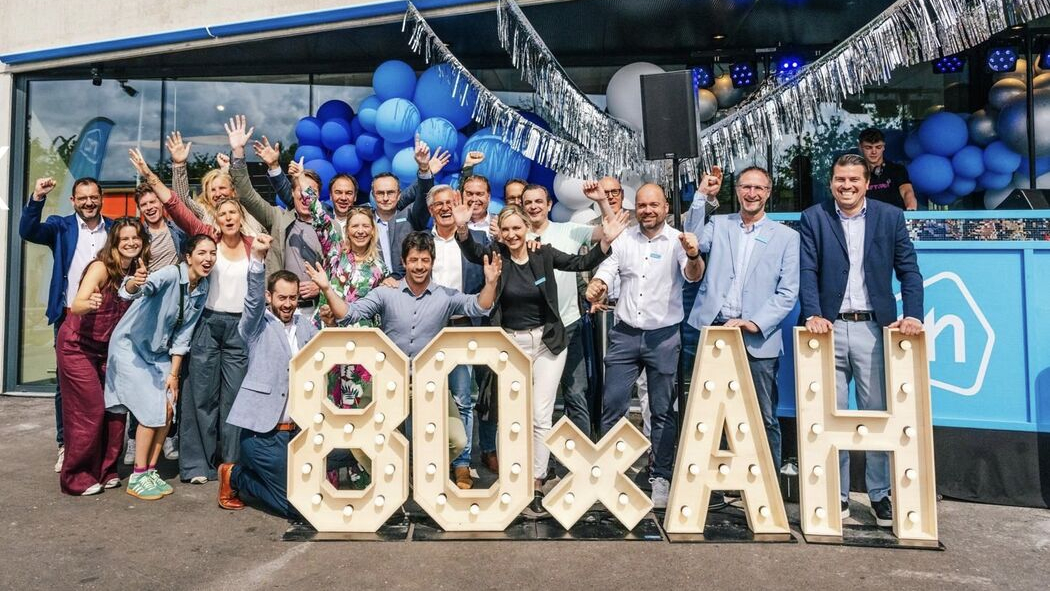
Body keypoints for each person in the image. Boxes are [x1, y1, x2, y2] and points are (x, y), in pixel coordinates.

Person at [455, 200, 629, 517]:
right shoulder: (496, 255)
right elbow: (471, 251)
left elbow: (581, 262)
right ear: (500, 232)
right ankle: (511, 482)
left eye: (516, 228)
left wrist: (606, 240)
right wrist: (463, 227)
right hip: (511, 344)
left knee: (540, 415)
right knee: (510, 416)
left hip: (548, 343)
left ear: (527, 228)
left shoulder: (543, 253)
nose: (512, 234)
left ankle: (536, 482)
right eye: (506, 229)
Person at [799, 153, 924, 527]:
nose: (847, 186)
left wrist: (913, 314)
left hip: (873, 329)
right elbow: (807, 270)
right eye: (840, 179)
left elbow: (909, 271)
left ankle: (879, 494)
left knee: (876, 414)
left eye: (854, 179)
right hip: (827, 329)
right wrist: (812, 313)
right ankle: (835, 495)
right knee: (829, 415)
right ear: (831, 182)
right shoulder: (814, 217)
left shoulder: (890, 217)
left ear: (867, 183)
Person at [319, 231, 503, 481]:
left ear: (432, 262)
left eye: (425, 260)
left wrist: (490, 283)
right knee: (361, 439)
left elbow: (479, 306)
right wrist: (327, 288)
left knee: (457, 439)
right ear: (404, 262)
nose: (419, 266)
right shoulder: (386, 293)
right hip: (388, 380)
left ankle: (418, 473)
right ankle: (395, 477)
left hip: (429, 383)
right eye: (414, 260)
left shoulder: (445, 296)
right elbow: (349, 314)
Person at [129, 147, 256, 484]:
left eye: (233, 212)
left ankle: (231, 466)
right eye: (223, 213)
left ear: (240, 216)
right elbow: (174, 204)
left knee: (234, 399)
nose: (228, 217)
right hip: (207, 325)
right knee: (200, 396)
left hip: (240, 329)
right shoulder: (207, 237)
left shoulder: (252, 244)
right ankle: (197, 466)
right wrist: (150, 174)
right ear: (217, 217)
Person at [585, 183, 705, 509]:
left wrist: (693, 255)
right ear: (635, 208)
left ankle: (660, 476)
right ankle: (611, 475)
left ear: (666, 207)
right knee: (613, 405)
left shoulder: (678, 240)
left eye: (654, 205)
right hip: (625, 335)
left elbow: (693, 275)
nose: (647, 210)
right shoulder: (625, 238)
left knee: (662, 410)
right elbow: (609, 268)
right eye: (642, 205)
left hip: (663, 337)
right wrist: (598, 283)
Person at [686, 166, 800, 471]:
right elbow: (693, 240)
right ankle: (714, 484)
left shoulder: (787, 237)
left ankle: (769, 487)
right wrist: (701, 196)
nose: (752, 193)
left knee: (762, 414)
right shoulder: (719, 224)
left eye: (759, 188)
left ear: (768, 193)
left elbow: (788, 292)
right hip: (715, 331)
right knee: (710, 413)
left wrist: (754, 323)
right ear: (737, 191)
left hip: (757, 338)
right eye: (746, 187)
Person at [105, 233, 216, 500]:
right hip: (130, 348)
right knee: (150, 410)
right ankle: (137, 475)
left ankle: (150, 471)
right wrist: (135, 282)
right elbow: (134, 290)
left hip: (158, 353)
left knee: (167, 408)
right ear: (188, 257)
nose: (208, 258)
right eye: (202, 253)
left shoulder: (202, 287)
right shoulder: (169, 275)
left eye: (212, 253)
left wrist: (174, 375)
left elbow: (183, 335)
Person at [217, 235, 318, 516]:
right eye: (282, 297)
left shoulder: (307, 327)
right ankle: (235, 476)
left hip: (298, 434)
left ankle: (261, 476)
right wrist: (257, 259)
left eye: (293, 298)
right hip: (262, 435)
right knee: (297, 508)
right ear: (269, 297)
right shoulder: (256, 326)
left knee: (315, 495)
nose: (287, 304)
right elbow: (251, 301)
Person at [19, 176, 113, 473]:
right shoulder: (60, 227)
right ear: (73, 200)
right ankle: (66, 444)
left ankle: (99, 447)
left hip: (107, 318)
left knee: (104, 382)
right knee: (66, 384)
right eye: (82, 198)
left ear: (101, 198)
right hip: (69, 316)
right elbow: (28, 231)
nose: (88, 202)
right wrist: (37, 197)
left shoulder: (113, 229)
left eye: (93, 197)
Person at [57, 218, 148, 495]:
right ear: (115, 243)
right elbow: (77, 304)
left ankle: (106, 470)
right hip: (77, 346)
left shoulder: (137, 270)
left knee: (115, 410)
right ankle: (76, 477)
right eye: (125, 239)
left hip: (108, 349)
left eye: (135, 238)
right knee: (89, 410)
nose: (131, 243)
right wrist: (90, 302)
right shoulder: (100, 267)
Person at [522, 183, 613, 440]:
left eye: (539, 201)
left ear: (549, 204)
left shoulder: (569, 230)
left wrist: (602, 201)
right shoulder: (516, 236)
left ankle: (580, 456)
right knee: (532, 397)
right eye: (528, 202)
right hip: (530, 330)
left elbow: (609, 231)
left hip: (568, 325)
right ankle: (537, 455)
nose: (534, 207)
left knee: (575, 392)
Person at [297, 181, 390, 408]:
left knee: (351, 403)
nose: (360, 231)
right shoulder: (335, 253)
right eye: (355, 226)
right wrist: (300, 179)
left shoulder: (380, 268)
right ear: (347, 231)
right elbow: (319, 216)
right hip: (326, 333)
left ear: (373, 230)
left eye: (365, 226)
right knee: (320, 398)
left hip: (359, 342)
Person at [223, 116, 325, 316]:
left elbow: (341, 268)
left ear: (319, 195)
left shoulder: (331, 228)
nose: (305, 196)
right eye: (300, 190)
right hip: (279, 312)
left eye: (310, 191)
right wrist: (238, 152)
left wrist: (322, 286)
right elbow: (245, 194)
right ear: (292, 193)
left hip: (319, 311)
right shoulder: (278, 218)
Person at [427, 184, 490, 488]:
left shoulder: (477, 240)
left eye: (450, 202)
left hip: (463, 326)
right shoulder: (422, 241)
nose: (445, 208)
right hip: (429, 328)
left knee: (463, 397)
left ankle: (461, 463)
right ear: (431, 210)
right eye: (438, 204)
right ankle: (431, 460)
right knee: (428, 394)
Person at [127, 184, 186, 464]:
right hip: (146, 311)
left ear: (161, 204)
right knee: (141, 379)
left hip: (173, 311)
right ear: (139, 209)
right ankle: (133, 438)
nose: (150, 207)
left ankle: (169, 433)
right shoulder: (138, 236)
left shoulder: (178, 232)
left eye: (153, 202)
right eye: (144, 205)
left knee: (171, 376)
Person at [371, 140, 451, 278]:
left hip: (408, 285)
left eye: (390, 193)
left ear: (399, 194)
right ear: (373, 195)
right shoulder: (364, 221)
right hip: (374, 287)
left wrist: (425, 169)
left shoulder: (410, 216)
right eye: (380, 193)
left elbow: (423, 195)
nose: (385, 198)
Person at [166, 131, 268, 236]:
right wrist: (179, 165)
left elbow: (268, 233)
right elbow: (182, 201)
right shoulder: (204, 212)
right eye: (213, 190)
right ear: (207, 195)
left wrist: (229, 169)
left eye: (222, 188)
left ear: (233, 191)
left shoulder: (249, 211)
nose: (218, 194)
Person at [857, 128, 917, 211]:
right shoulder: (855, 172)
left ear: (884, 147)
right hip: (866, 217)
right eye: (868, 147)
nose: (874, 152)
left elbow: (907, 191)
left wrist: (911, 210)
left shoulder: (897, 170)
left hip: (894, 217)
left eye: (878, 147)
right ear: (860, 147)